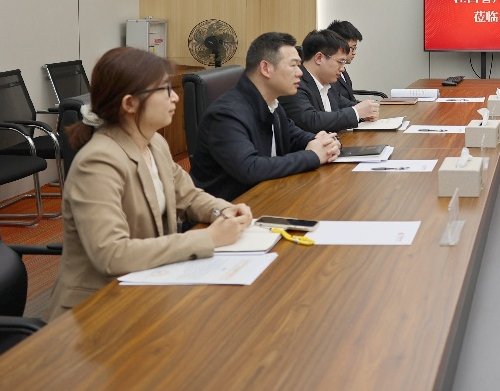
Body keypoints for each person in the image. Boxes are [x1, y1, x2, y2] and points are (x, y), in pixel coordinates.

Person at [46, 47, 252, 320]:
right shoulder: (97, 163)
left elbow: (189, 196)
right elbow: (112, 254)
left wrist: (222, 210)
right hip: (96, 310)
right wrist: (209, 238)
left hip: (147, 288)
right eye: (164, 89)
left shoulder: (155, 143)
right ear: (130, 104)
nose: (175, 96)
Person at [190, 31, 342, 202]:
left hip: (267, 196)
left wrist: (325, 142)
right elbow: (250, 168)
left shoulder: (272, 103)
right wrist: (313, 156)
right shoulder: (225, 114)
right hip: (230, 210)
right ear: (265, 68)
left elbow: (294, 136)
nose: (300, 72)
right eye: (293, 65)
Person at [280, 29, 379, 133]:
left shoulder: (328, 84)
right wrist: (356, 113)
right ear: (319, 58)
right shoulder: (295, 84)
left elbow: (347, 106)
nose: (343, 69)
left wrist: (367, 110)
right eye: (340, 62)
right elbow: (311, 120)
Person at [327, 20, 367, 105]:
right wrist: (358, 108)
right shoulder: (328, 72)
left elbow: (350, 98)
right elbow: (336, 102)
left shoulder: (343, 69)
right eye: (352, 48)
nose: (354, 53)